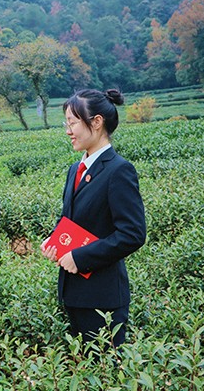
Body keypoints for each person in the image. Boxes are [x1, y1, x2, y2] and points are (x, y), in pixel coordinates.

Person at [40, 89, 146, 348]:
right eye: (67, 123)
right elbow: (72, 218)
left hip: (103, 298)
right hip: (73, 292)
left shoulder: (119, 170)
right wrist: (55, 241)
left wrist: (80, 257)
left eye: (73, 123)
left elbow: (132, 234)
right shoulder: (76, 168)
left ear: (96, 122)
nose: (68, 130)